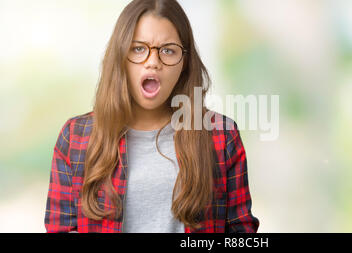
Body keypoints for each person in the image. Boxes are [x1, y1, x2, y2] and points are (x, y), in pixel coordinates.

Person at [44, 0, 259, 233]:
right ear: (120, 57)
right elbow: (61, 228)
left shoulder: (222, 136)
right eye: (138, 48)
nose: (153, 62)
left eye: (168, 50)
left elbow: (241, 231)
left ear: (184, 63)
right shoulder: (75, 137)